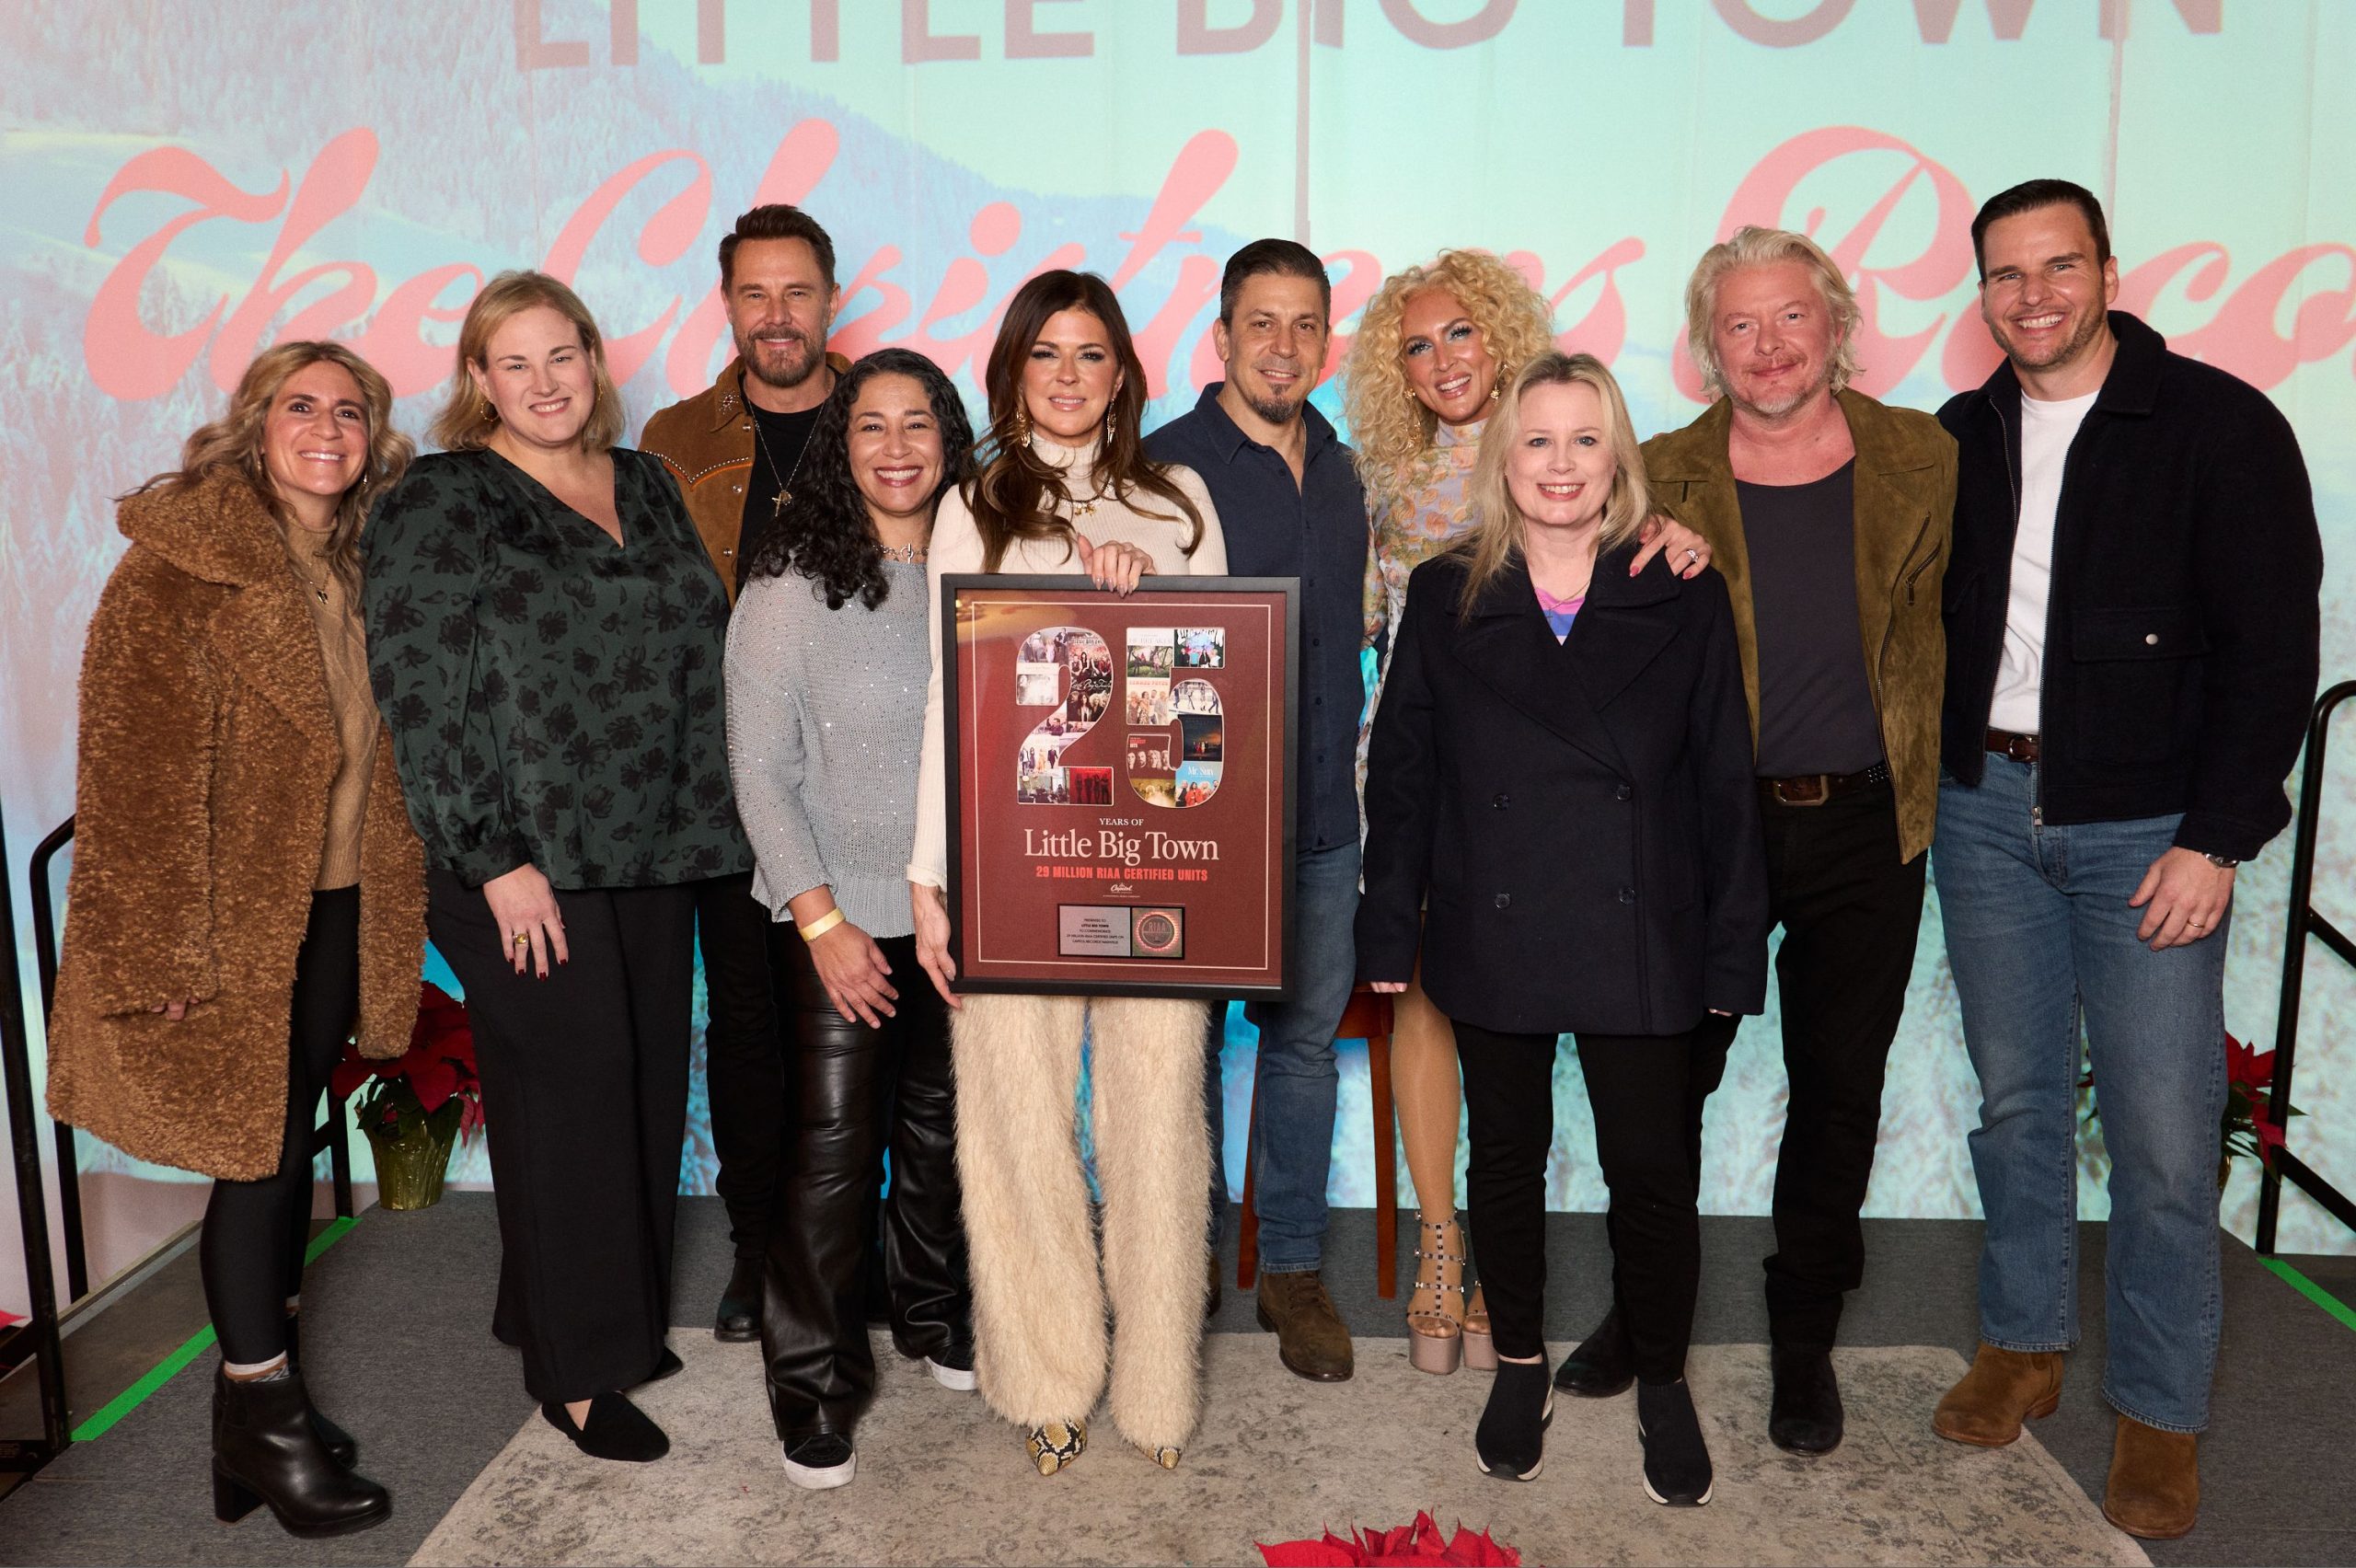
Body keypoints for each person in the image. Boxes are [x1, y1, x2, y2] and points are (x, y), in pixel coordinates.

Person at [1928, 180, 2322, 1540]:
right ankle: (2024, 1346)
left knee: (2159, 1138)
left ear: (2105, 269)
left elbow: (2275, 653)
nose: (2031, 295)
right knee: (2018, 1104)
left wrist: (2219, 836)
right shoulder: (1958, 434)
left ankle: (2160, 1412)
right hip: (1984, 811)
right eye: (2004, 273)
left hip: (2151, 828)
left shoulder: (2218, 426)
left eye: (2057, 266)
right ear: (1980, 288)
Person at [1556, 227, 1957, 1453]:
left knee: (1841, 1093)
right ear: (1705, 347)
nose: (1768, 344)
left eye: (1792, 317)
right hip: (1705, 830)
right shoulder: (1660, 472)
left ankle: (1802, 1346)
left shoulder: (1925, 457)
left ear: (1838, 325)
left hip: (1866, 827)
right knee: (1663, 1081)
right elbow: (1582, 634)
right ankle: (1645, 1314)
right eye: (1740, 324)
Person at [1358, 352, 1767, 1499]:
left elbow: (1722, 783)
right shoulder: (1446, 594)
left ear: (1617, 458)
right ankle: (1521, 1362)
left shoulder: (1680, 585)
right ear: (1504, 457)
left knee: (1651, 1171)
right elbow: (1404, 777)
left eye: (1585, 440)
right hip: (1497, 922)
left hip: (1646, 930)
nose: (1559, 464)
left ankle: (1665, 1382)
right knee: (1505, 1160)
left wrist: (1735, 951)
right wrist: (1388, 935)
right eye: (1536, 440)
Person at [364, 271, 752, 1464]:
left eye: (562, 356)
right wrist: (492, 860)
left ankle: (596, 1318)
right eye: (514, 362)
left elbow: (697, 645)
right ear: (478, 379)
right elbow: (419, 696)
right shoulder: (439, 500)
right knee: (573, 1098)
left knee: (634, 1088)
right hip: (524, 861)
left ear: (593, 361)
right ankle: (577, 1374)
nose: (544, 382)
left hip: (660, 845)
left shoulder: (641, 479)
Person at [46, 342, 423, 1538]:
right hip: (232, 921)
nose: (327, 427)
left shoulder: (362, 559)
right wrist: (160, 955)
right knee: (256, 1163)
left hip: (336, 903)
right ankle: (265, 1420)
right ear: (254, 423)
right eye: (300, 406)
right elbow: (131, 773)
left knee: (284, 1142)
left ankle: (251, 1423)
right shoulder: (179, 569)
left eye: (348, 410)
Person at [1343, 250, 1714, 1370]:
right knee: (1426, 998)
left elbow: (1642, 576)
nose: (1440, 359)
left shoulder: (1568, 441)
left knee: (1558, 1025)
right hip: (1431, 756)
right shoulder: (1380, 479)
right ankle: (1444, 1250)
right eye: (1414, 345)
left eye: (1459, 333)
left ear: (1501, 336)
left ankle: (1521, 1277)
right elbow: (1362, 635)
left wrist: (1677, 540)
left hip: (1560, 778)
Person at [908, 270, 1226, 1474]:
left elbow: (1216, 690)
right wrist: (930, 884)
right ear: (1014, 370)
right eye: (1048, 354)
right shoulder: (975, 502)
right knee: (1018, 1126)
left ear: (1124, 373)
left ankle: (1154, 1389)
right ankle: (1044, 1375)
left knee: (1156, 1123)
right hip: (1010, 862)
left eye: (1092, 355)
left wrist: (1158, 607)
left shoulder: (1180, 501)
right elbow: (955, 695)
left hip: (1158, 865)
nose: (1069, 376)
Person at [724, 348, 979, 1490]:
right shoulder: (789, 584)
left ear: (950, 439)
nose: (894, 447)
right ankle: (812, 1385)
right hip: (839, 914)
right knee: (833, 1155)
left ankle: (934, 1317)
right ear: (840, 445)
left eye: (917, 424)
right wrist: (824, 926)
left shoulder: (990, 570)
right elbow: (759, 770)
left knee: (943, 1132)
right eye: (869, 426)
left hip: (965, 911)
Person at [1142, 239, 1365, 1381]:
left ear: (1326, 341)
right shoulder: (1160, 470)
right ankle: (1172, 1268)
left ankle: (1290, 1272)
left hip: (1325, 820)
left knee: (1301, 1055)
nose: (1284, 346)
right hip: (1199, 828)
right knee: (1176, 1055)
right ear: (1221, 336)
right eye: (1260, 323)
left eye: (1306, 325)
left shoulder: (1342, 467)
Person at [641, 202, 853, 1341]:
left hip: (868, 785)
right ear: (728, 306)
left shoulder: (891, 417)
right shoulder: (673, 443)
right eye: (754, 295)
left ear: (831, 299)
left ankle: (845, 1244)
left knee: (864, 1021)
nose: (778, 316)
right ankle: (757, 1247)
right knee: (753, 1027)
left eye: (798, 292)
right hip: (729, 789)